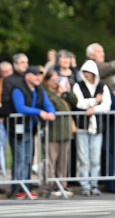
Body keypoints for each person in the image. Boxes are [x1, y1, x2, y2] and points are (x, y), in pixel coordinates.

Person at [10, 66, 57, 199]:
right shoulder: (18, 88)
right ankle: (17, 188)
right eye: (35, 75)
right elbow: (20, 108)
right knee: (20, 159)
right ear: (27, 76)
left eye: (39, 75)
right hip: (18, 129)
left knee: (28, 159)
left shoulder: (39, 89)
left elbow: (48, 105)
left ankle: (25, 186)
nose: (38, 77)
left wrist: (51, 113)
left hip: (31, 129)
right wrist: (40, 112)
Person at [73, 60, 111, 197]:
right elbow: (79, 103)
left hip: (97, 127)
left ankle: (94, 184)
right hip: (82, 127)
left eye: (89, 72)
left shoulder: (102, 87)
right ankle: (85, 185)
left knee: (95, 159)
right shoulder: (78, 86)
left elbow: (106, 106)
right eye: (84, 72)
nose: (86, 75)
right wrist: (95, 101)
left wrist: (93, 109)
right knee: (83, 158)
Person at [43, 69, 77, 197]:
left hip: (65, 132)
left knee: (63, 161)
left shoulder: (62, 94)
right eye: (53, 80)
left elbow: (74, 103)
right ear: (46, 81)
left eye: (57, 80)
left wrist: (67, 92)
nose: (56, 82)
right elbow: (57, 108)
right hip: (52, 132)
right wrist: (59, 95)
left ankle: (63, 185)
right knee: (52, 160)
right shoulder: (46, 94)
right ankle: (50, 185)